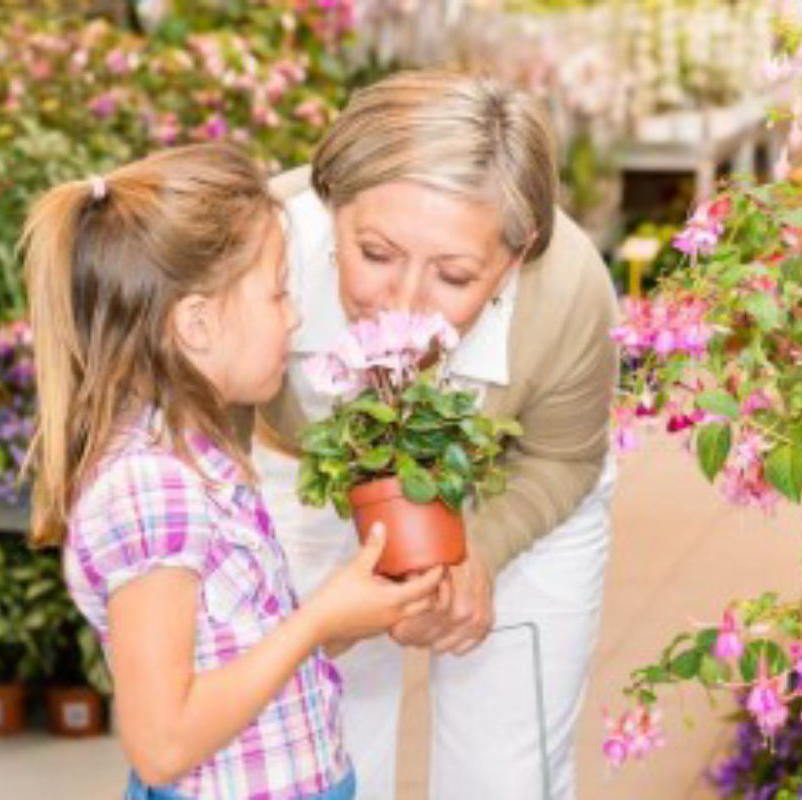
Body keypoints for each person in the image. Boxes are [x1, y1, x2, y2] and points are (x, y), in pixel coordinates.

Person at [22, 143, 443, 800]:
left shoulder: (199, 456)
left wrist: (342, 620)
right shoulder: (150, 487)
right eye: (277, 293)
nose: (294, 316)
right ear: (195, 324)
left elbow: (230, 654)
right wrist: (317, 621)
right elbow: (163, 745)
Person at [253, 70, 619, 799]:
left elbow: (560, 454)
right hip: (309, 485)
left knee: (504, 774)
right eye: (376, 254)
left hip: (514, 488)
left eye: (454, 275)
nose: (405, 300)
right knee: (320, 752)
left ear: (517, 258)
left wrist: (477, 550)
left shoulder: (569, 288)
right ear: (333, 208)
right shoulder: (261, 247)